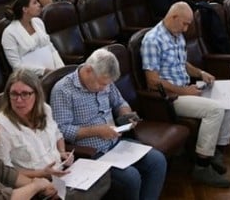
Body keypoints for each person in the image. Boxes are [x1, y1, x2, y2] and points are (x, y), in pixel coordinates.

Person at [141, 2, 230, 188]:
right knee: (215, 109)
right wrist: (183, 91)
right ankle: (202, 166)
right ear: (173, 17)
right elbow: (152, 81)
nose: (186, 29)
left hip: (187, 88)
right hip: (170, 98)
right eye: (184, 24)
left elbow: (183, 64)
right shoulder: (152, 40)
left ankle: (216, 149)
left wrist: (201, 74)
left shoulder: (177, 35)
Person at [50, 48, 168, 199]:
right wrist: (97, 131)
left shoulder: (105, 79)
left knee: (158, 161)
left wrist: (126, 114)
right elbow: (62, 130)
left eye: (108, 84)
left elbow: (120, 102)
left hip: (116, 143)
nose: (105, 88)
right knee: (131, 178)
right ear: (88, 70)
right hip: (91, 152)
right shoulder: (63, 90)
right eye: (101, 84)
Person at [0, 69, 112, 200]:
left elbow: (57, 134)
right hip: (36, 185)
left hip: (61, 173)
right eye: (14, 94)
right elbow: (5, 172)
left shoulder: (44, 109)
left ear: (37, 94)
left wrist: (62, 152)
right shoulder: (0, 126)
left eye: (25, 94)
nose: (19, 100)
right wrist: (41, 174)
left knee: (104, 177)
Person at [1, 0, 64, 76]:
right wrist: (44, 71)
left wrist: (61, 70)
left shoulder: (38, 22)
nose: (39, 5)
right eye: (35, 3)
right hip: (29, 78)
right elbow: (17, 67)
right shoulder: (9, 33)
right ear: (25, 9)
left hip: (53, 72)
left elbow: (51, 48)